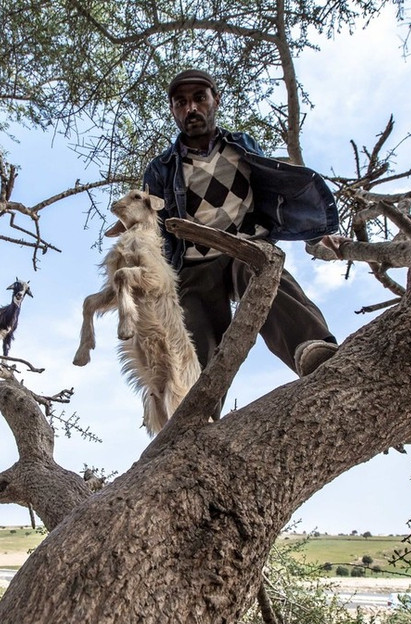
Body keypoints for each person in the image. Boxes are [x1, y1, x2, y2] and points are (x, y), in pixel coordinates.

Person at [143, 68, 345, 394]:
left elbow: (274, 189)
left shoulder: (240, 145)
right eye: (181, 103)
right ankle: (196, 411)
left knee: (265, 271)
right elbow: (151, 226)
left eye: (199, 99)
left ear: (215, 100)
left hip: (244, 246)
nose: (190, 108)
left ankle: (313, 350)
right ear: (173, 110)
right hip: (194, 263)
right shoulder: (161, 167)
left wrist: (315, 231)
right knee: (195, 333)